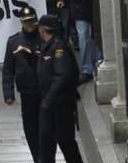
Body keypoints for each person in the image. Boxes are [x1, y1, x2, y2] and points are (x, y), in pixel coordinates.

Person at [37, 14, 83, 163]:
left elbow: (62, 75)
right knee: (46, 143)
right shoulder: (48, 46)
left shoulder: (58, 48)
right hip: (51, 104)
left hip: (60, 104)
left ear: (42, 29)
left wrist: (48, 99)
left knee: (65, 141)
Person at [2, 5, 41, 163]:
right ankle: (37, 158)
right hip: (26, 91)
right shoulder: (14, 41)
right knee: (31, 129)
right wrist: (8, 93)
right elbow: (8, 70)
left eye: (31, 21)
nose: (29, 25)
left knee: (45, 128)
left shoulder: (43, 37)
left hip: (44, 90)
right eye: (26, 22)